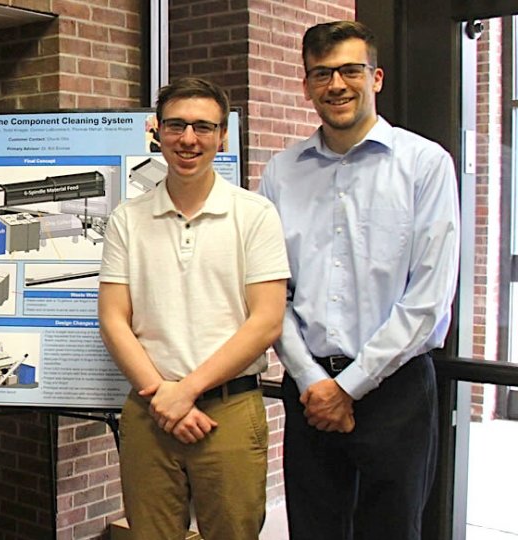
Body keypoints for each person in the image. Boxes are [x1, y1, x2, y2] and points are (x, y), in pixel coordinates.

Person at [258, 20, 459, 539]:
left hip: (396, 393)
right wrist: (313, 382)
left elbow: (429, 300)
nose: (336, 85)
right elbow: (270, 292)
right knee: (312, 529)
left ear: (377, 78)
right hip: (308, 389)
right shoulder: (281, 171)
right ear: (306, 85)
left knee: (392, 531)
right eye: (321, 74)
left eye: (350, 70)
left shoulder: (425, 164)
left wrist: (348, 387)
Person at [98, 77, 290, 538]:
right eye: (176, 126)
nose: (189, 139)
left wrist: (186, 392)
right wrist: (165, 397)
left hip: (229, 410)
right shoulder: (128, 218)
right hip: (149, 410)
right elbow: (112, 319)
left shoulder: (255, 214)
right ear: (156, 132)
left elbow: (266, 320)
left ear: (223, 136)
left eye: (204, 127)